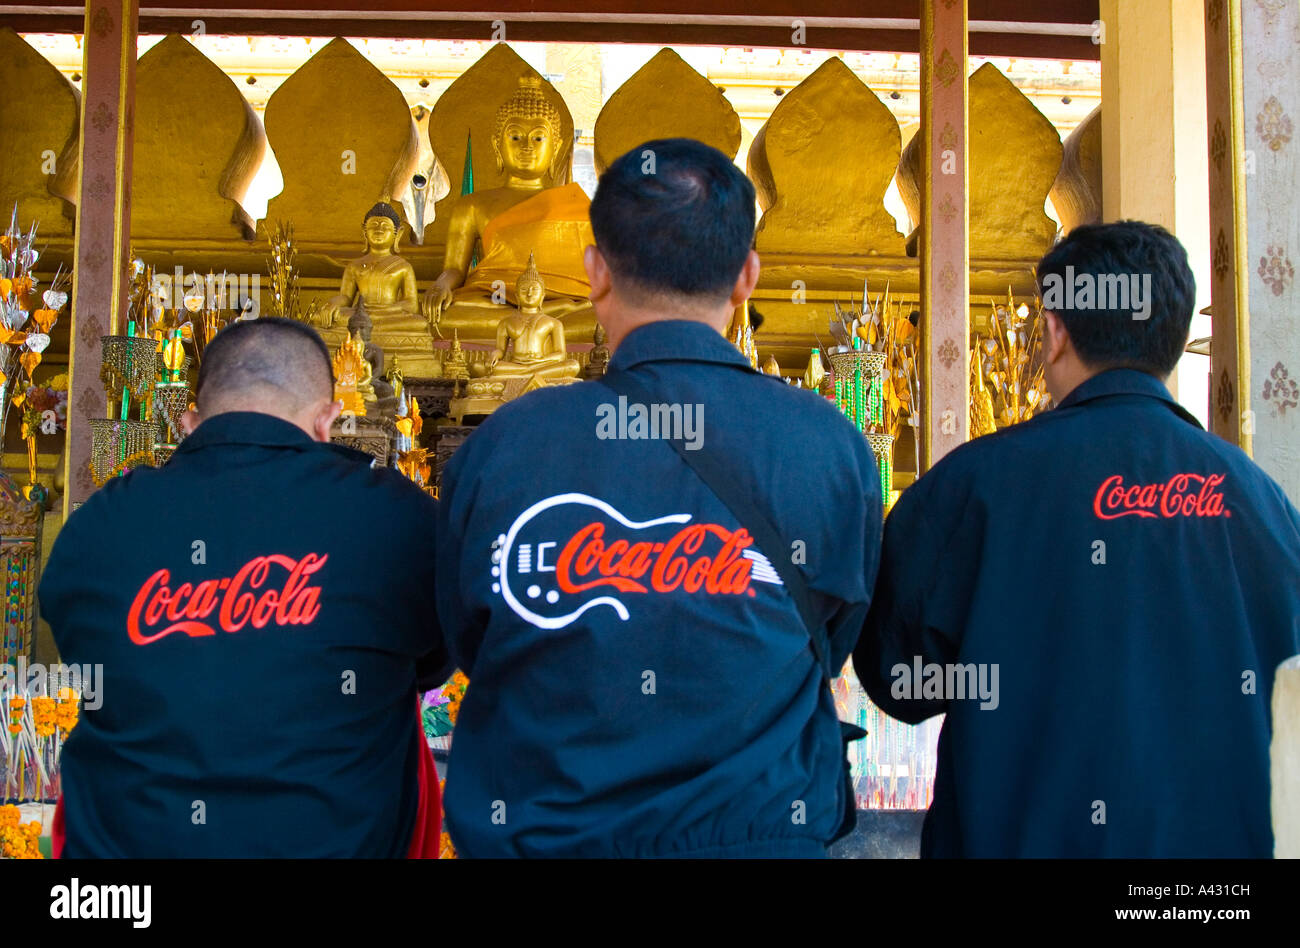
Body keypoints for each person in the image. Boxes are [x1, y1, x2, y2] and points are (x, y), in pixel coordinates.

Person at [434, 137, 883, 858]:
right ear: (747, 277)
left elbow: (468, 639)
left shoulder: (506, 444)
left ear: (593, 273)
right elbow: (832, 642)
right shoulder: (829, 445)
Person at [854, 220, 1300, 857]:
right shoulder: (1264, 506)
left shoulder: (978, 485)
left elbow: (897, 680)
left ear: (1056, 331)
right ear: (1173, 339)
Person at [39, 317, 448, 857]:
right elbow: (436, 659)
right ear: (327, 420)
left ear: (189, 423)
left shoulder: (101, 522)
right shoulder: (396, 515)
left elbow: (78, 645)